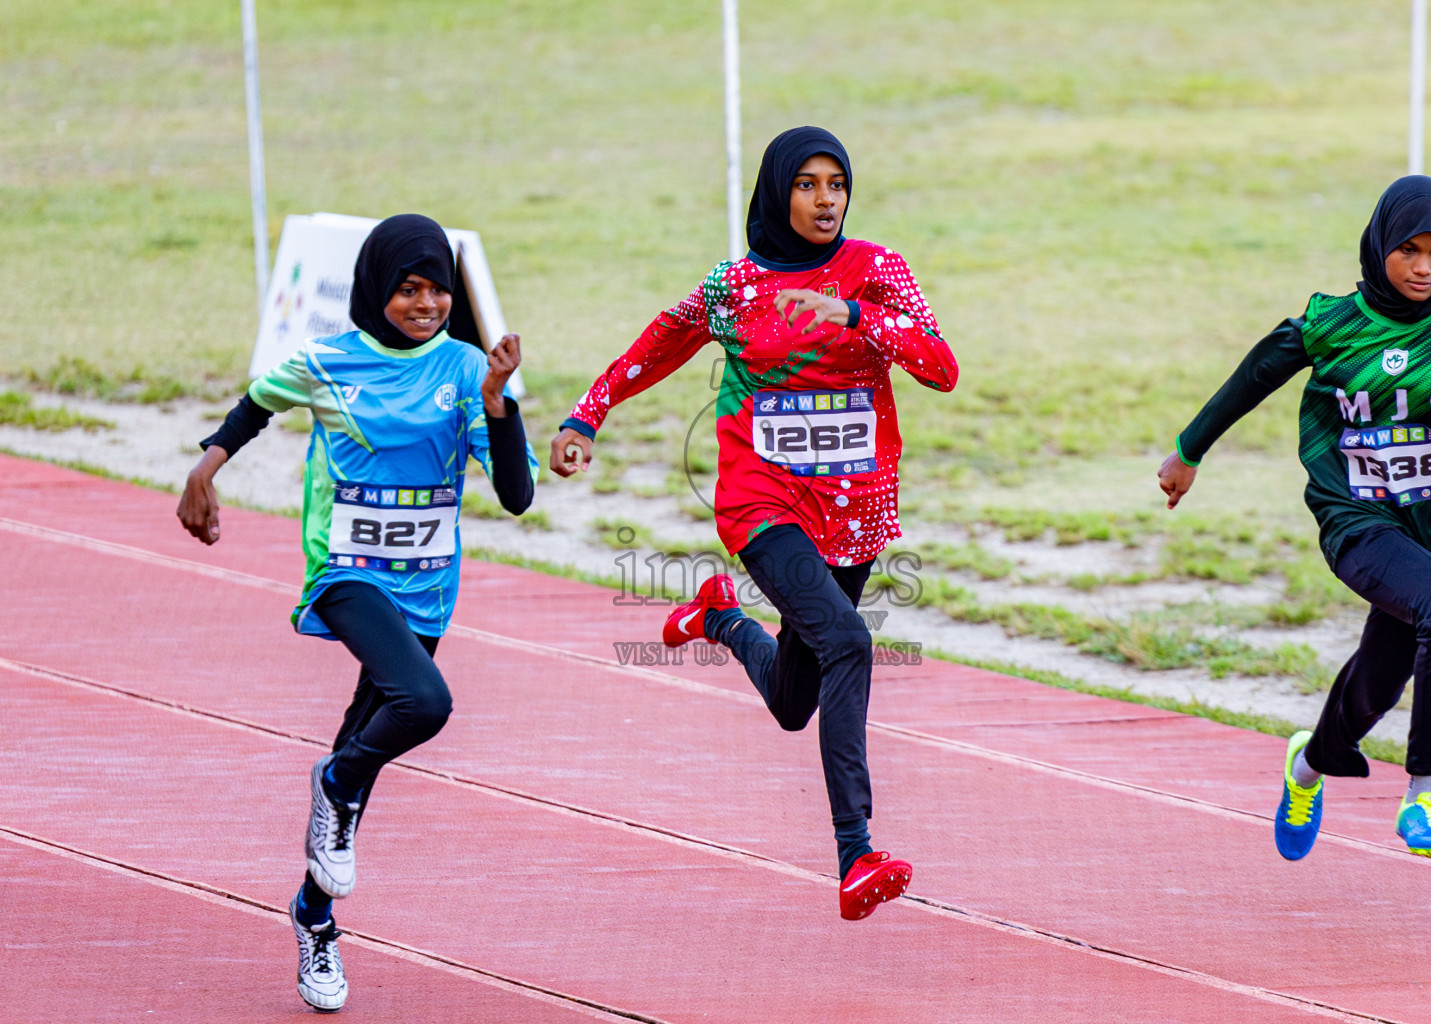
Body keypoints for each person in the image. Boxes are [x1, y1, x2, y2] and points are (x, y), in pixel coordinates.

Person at [550, 126, 958, 919]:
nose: (825, 199)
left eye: (836, 182)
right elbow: (661, 342)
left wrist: (850, 313)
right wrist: (586, 416)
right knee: (849, 642)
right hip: (762, 503)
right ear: (778, 191)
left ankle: (721, 619)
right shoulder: (734, 286)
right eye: (806, 184)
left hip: (855, 510)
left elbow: (940, 367)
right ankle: (856, 853)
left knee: (793, 701)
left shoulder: (877, 270)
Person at [178, 214, 539, 1010]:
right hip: (345, 574)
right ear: (377, 289)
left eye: (438, 288)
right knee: (424, 702)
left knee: (362, 760)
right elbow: (252, 408)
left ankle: (315, 919)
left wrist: (498, 406)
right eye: (409, 288)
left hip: (426, 590)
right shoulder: (327, 362)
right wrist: (204, 471)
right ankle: (333, 784)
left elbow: (516, 496)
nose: (426, 303)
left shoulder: (467, 369)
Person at [1158, 176, 1431, 863]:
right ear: (1379, 244)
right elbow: (1255, 375)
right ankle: (1425, 792)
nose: (1423, 268)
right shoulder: (1333, 323)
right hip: (1356, 522)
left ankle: (1306, 765)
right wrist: (1189, 450)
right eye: (1408, 250)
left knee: (1376, 683)